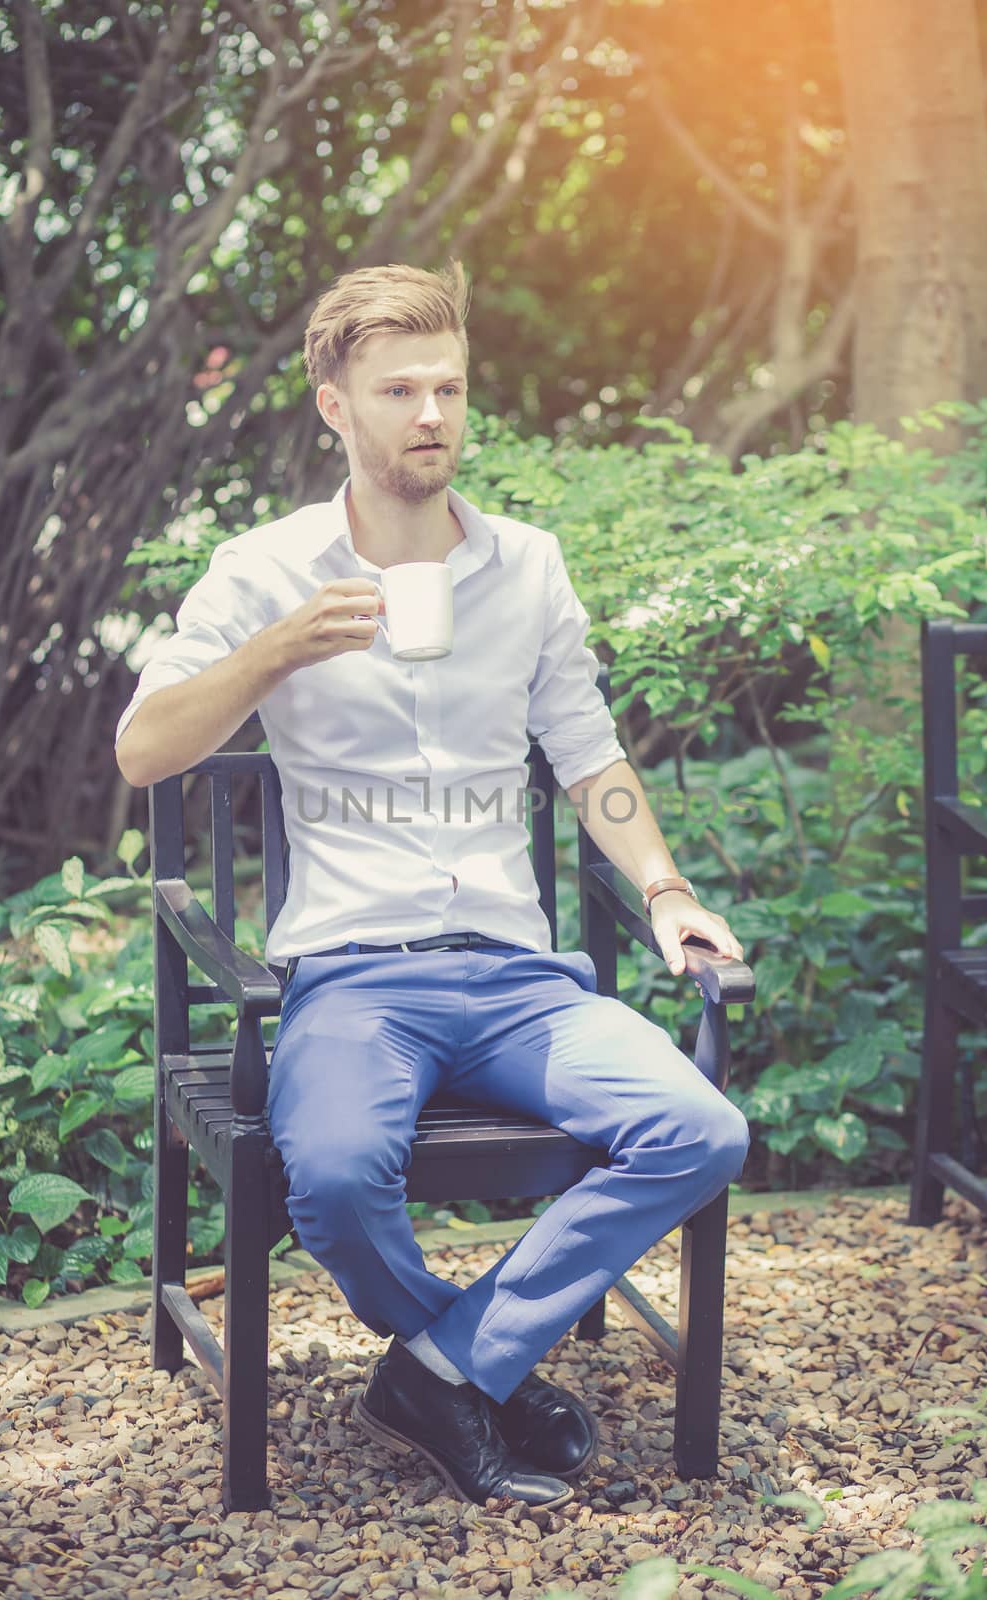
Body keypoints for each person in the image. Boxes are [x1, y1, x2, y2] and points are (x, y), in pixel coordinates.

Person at [115, 261, 750, 1510]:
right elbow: (145, 748)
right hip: (353, 979)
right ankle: (480, 1366)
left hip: (518, 977)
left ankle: (443, 1368)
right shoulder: (262, 569)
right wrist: (277, 648)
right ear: (332, 404)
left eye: (449, 388)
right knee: (339, 1178)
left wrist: (665, 889)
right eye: (398, 388)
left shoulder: (527, 567)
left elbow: (588, 753)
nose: (431, 415)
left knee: (701, 1129)